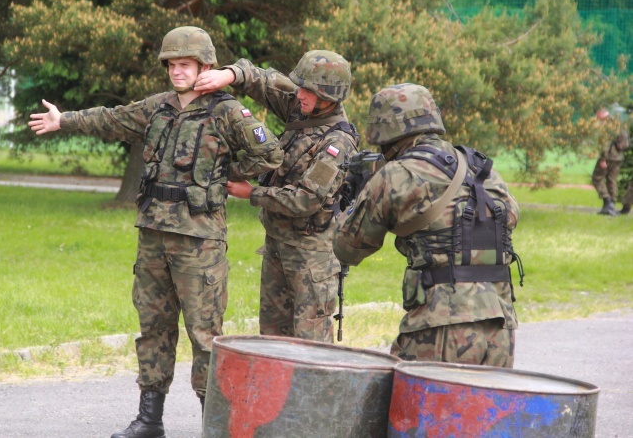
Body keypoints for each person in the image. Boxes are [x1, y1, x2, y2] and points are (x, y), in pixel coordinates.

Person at [28, 26, 283, 438]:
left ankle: (212, 425)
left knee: (204, 334)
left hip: (199, 240)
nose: (177, 71)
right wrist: (65, 120)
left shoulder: (228, 111)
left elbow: (270, 155)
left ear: (205, 66)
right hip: (152, 233)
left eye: (186, 64)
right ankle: (150, 419)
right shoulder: (159, 106)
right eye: (172, 64)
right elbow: (112, 118)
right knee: (153, 327)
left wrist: (225, 178)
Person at [333, 83, 523, 368]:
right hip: (500, 323)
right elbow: (510, 216)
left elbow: (348, 248)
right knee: (484, 411)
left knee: (418, 410)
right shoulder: (479, 166)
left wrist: (356, 198)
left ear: (385, 131)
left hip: (441, 326)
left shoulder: (395, 175)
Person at [194, 50, 359, 343]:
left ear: (329, 97)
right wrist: (230, 74)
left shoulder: (337, 144)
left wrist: (253, 193)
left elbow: (305, 200)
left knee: (311, 344)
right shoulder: (303, 105)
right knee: (272, 339)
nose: (299, 95)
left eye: (308, 90)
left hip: (311, 259)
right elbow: (266, 81)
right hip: (278, 247)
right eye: (300, 87)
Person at [592, 105, 630, 216]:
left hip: (608, 156)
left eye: (596, 114)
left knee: (597, 178)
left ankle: (607, 201)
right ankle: (611, 205)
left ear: (601, 112)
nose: (596, 117)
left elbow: (605, 143)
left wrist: (603, 159)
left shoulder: (606, 125)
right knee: (611, 180)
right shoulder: (617, 122)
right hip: (618, 157)